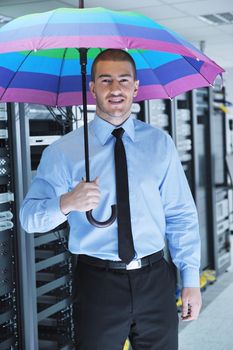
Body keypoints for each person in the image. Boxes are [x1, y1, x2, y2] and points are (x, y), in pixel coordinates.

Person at [20, 49, 202, 350]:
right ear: (91, 88)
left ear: (135, 87)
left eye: (123, 80)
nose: (115, 88)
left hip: (156, 278)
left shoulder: (160, 144)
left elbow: (180, 214)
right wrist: (67, 202)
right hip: (97, 284)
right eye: (105, 80)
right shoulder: (63, 152)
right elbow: (28, 218)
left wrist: (191, 280)